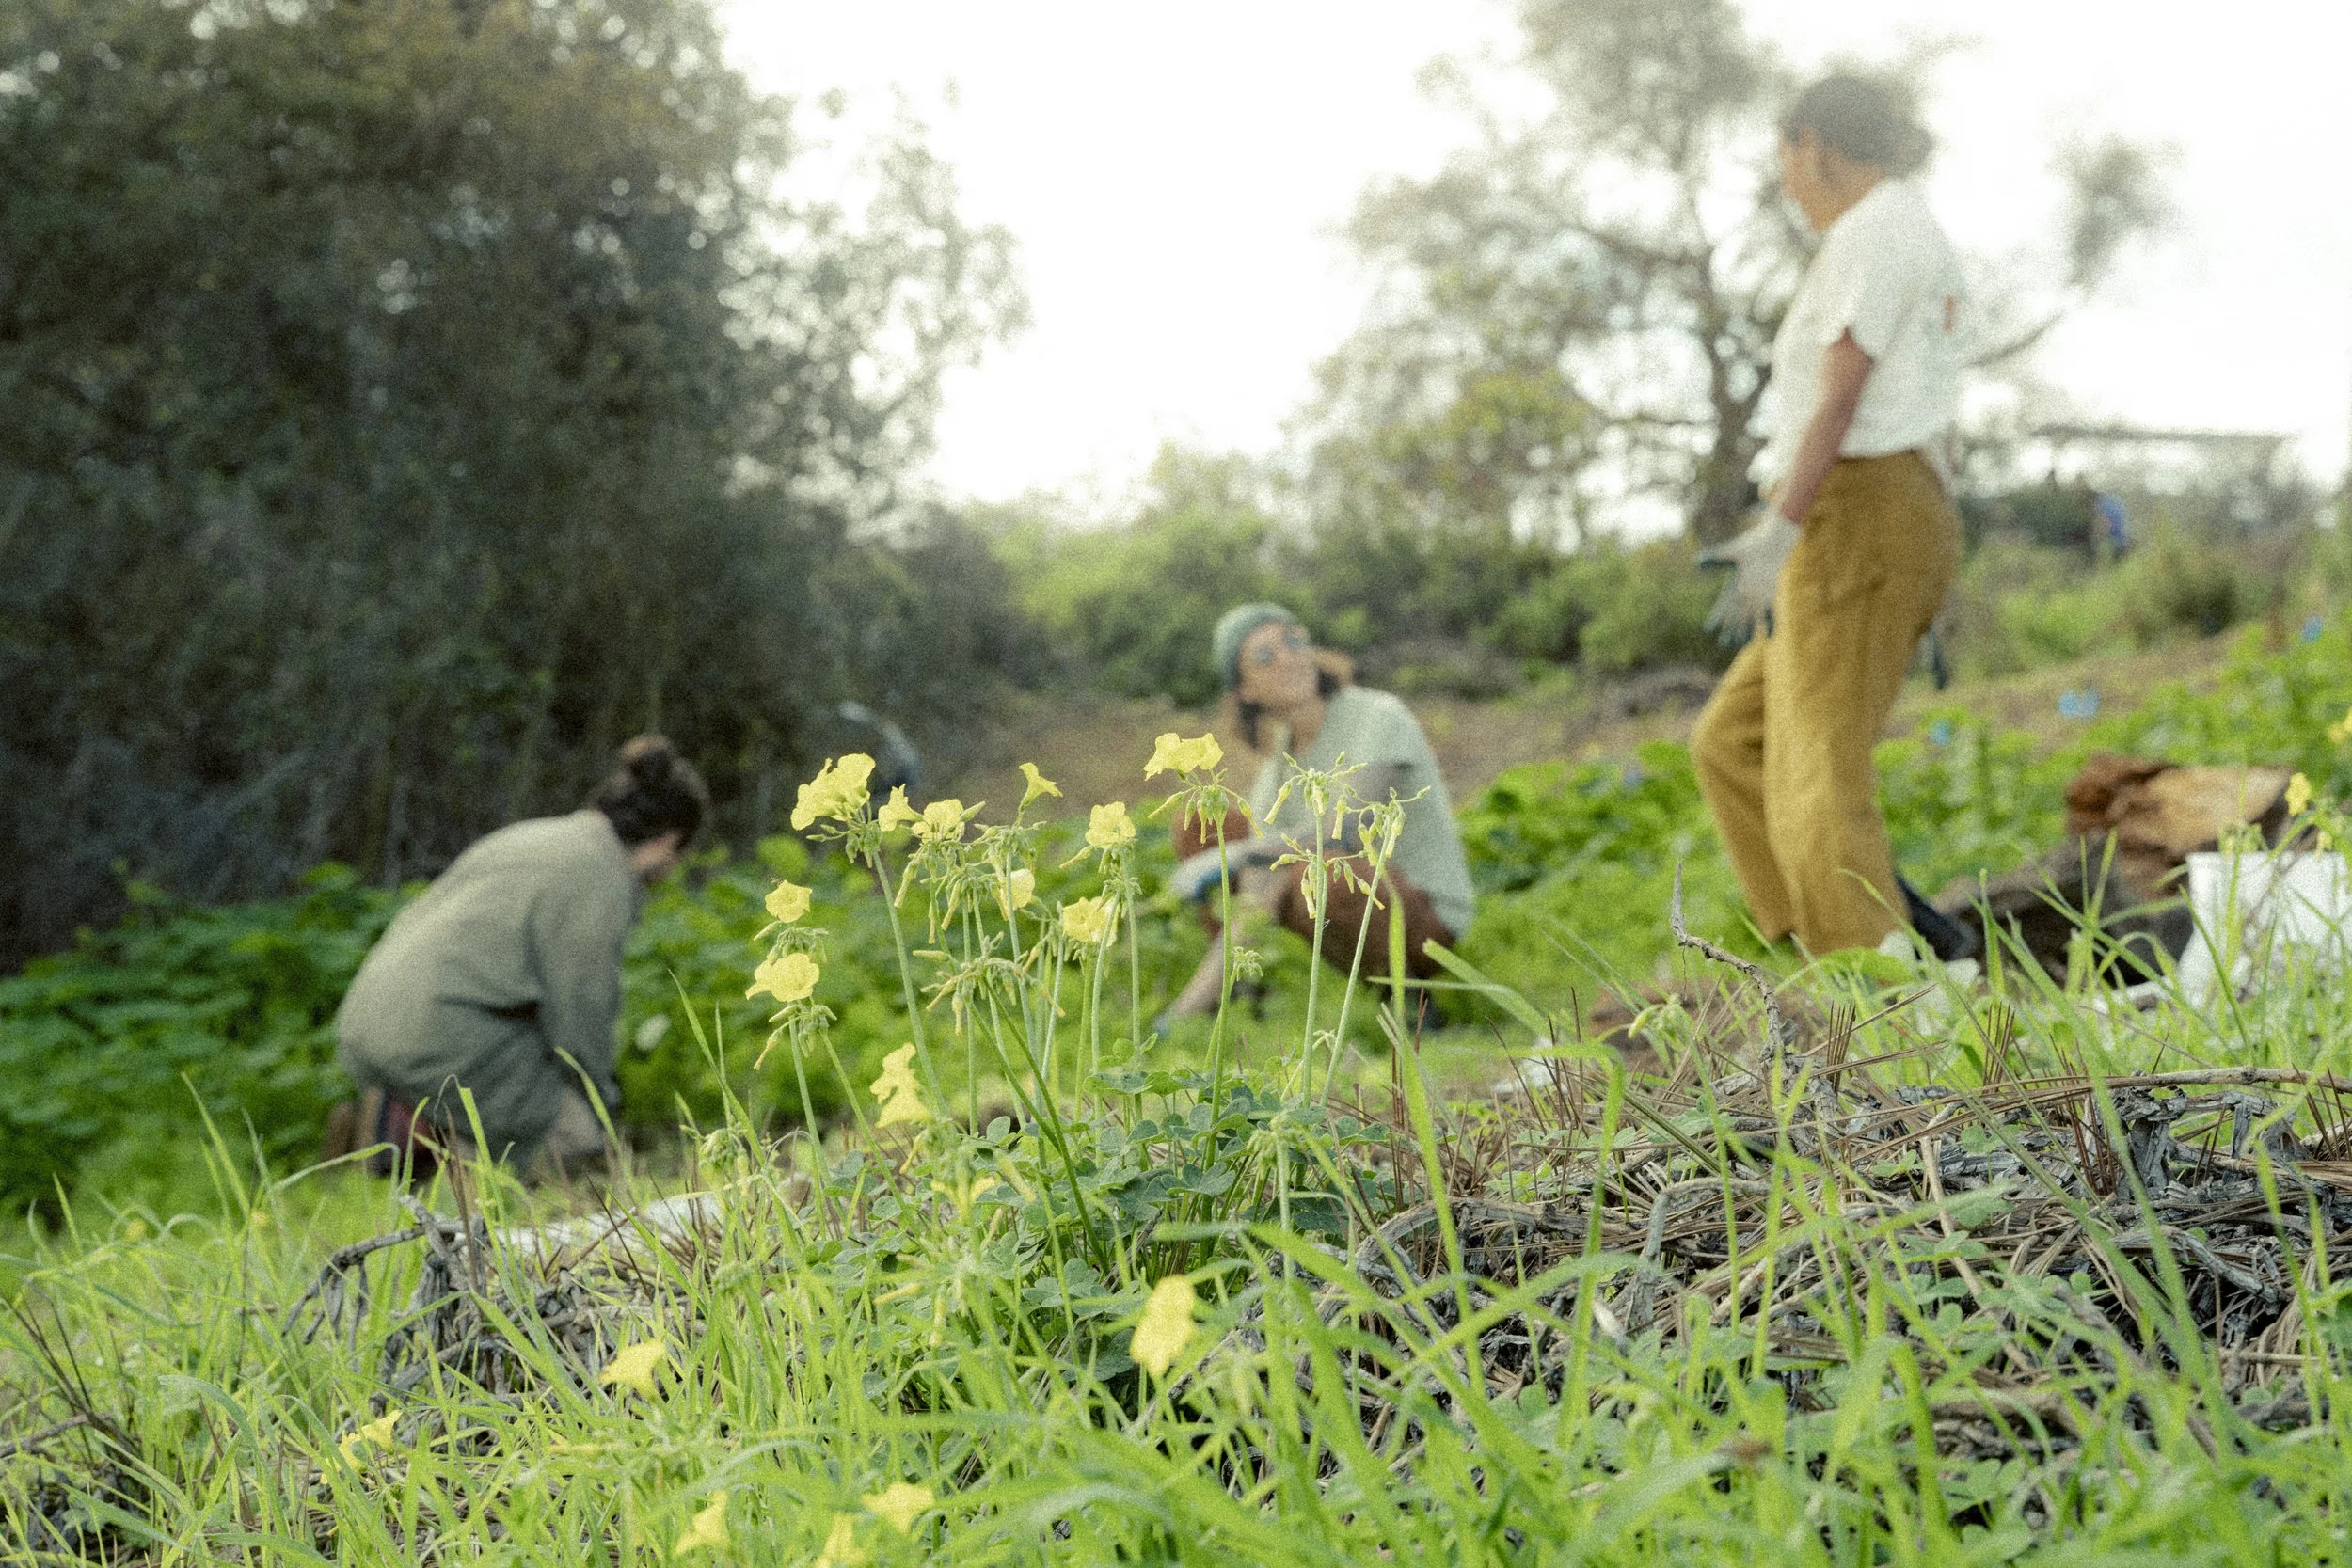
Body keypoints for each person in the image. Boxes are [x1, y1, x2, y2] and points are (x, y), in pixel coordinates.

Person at [1690, 74, 1967, 956]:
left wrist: (1782, 526)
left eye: (1786, 162)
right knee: (1734, 741)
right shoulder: (1896, 232)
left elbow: (1840, 399)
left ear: (1812, 145)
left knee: (1816, 768)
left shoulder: (1875, 232)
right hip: (1883, 508)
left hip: (1859, 504)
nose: (1788, 185)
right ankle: (1834, 942)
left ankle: (1888, 1003)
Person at [335, 736, 707, 1175]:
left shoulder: (533, 835)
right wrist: (601, 1106)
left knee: (524, 1063)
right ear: (669, 842)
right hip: (437, 1039)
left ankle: (399, 1129)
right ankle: (452, 1169)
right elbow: (578, 1013)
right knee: (580, 1137)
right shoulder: (600, 874)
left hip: (366, 1023)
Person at [1160, 604, 1475, 1022]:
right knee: (1203, 821)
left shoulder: (1376, 715)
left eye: (1293, 640)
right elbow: (1262, 878)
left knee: (1320, 870)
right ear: (1245, 691)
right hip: (1343, 900)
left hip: (1424, 916)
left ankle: (1410, 1001)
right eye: (1264, 656)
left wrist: (1242, 857)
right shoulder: (1278, 768)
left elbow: (1350, 829)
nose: (1288, 657)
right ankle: (1238, 991)